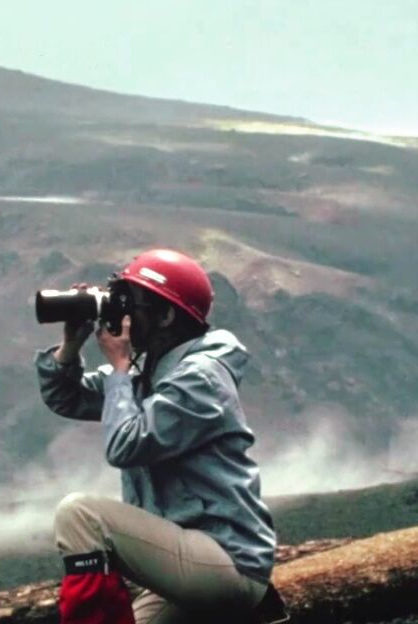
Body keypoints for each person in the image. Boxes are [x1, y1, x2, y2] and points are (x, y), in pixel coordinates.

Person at [34, 248, 278, 624]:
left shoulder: (202, 379)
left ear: (166, 315)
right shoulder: (146, 375)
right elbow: (65, 398)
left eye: (132, 303)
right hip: (189, 559)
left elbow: (126, 445)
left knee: (81, 515)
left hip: (225, 562)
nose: (123, 313)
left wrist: (117, 369)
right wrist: (72, 344)